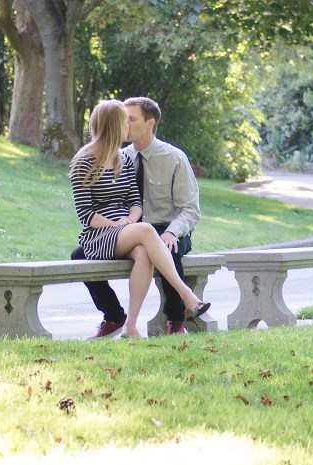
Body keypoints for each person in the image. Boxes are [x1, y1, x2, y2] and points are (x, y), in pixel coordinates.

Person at [70, 99, 209, 339]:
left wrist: (168, 231)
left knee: (154, 247)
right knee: (144, 234)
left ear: (150, 123)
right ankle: (187, 297)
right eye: (125, 120)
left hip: (160, 229)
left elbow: (146, 202)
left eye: (132, 120)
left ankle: (136, 326)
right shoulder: (90, 160)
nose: (128, 125)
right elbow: (85, 212)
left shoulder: (167, 158)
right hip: (112, 231)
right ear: (113, 125)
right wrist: (120, 224)